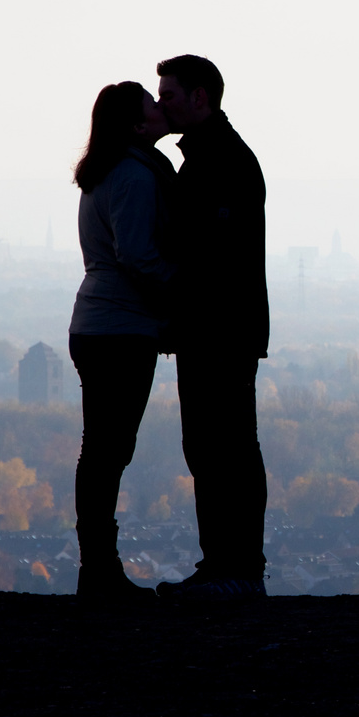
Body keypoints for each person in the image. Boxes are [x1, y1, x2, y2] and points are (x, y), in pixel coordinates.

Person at [152, 54, 271, 600]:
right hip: (215, 328)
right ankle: (226, 565)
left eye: (169, 96)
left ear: (201, 97)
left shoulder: (220, 161)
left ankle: (236, 569)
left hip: (218, 328)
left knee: (225, 448)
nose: (161, 106)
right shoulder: (211, 157)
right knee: (211, 447)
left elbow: (205, 252)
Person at [67, 81, 177, 603]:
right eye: (152, 105)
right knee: (110, 452)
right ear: (136, 125)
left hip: (95, 327)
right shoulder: (135, 175)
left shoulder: (106, 172)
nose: (161, 109)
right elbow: (137, 257)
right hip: (120, 331)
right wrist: (185, 290)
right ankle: (101, 571)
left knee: (102, 450)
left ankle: (97, 568)